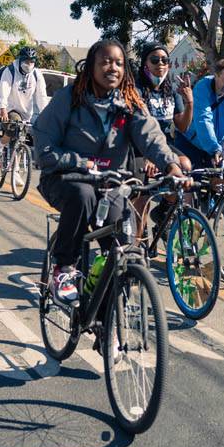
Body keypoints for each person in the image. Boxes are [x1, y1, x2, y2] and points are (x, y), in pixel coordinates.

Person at [32, 39, 187, 306]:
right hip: (66, 179)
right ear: (91, 66)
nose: (112, 68)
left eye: (118, 62)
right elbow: (44, 148)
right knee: (82, 196)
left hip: (110, 186)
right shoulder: (68, 98)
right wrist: (83, 164)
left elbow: (151, 136)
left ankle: (108, 323)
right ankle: (64, 268)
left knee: (123, 251)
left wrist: (171, 165)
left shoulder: (129, 100)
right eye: (104, 61)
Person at [131, 42, 193, 240]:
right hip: (140, 147)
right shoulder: (137, 90)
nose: (160, 63)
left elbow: (182, 127)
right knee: (143, 200)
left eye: (164, 60)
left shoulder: (172, 92)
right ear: (145, 64)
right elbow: (140, 127)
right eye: (154, 59)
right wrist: (150, 155)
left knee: (185, 166)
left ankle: (164, 211)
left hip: (164, 146)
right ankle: (137, 247)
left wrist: (189, 102)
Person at [176, 58, 224, 170]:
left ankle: (215, 187)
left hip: (217, 141)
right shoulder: (203, 87)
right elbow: (204, 119)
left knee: (223, 173)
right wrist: (214, 149)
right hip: (191, 140)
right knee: (190, 181)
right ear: (216, 76)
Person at [0, 45, 50, 168]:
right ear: (20, 59)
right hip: (10, 108)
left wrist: (45, 115)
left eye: (32, 61)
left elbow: (41, 96)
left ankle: (15, 171)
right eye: (26, 61)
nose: (29, 64)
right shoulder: (10, 70)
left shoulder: (37, 75)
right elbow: (3, 90)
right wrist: (3, 109)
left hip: (26, 112)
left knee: (20, 141)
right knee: (13, 126)